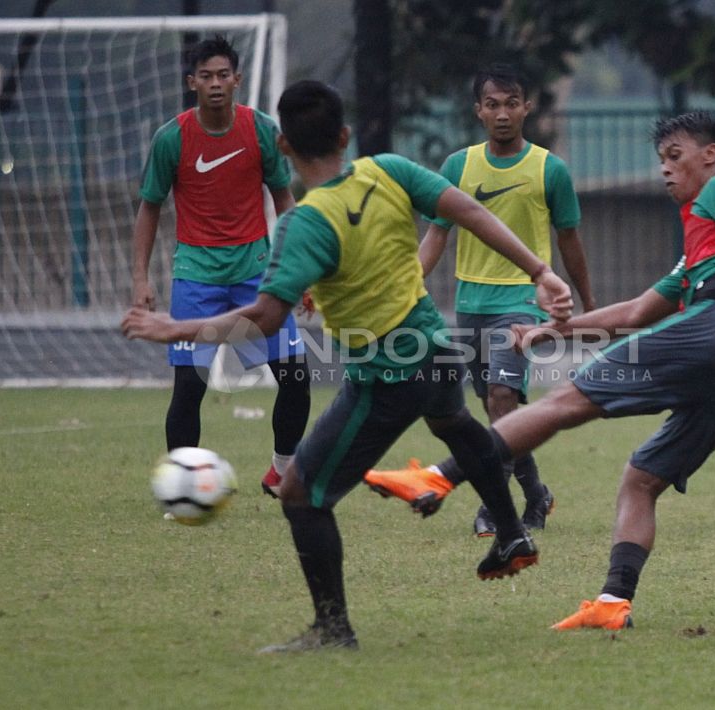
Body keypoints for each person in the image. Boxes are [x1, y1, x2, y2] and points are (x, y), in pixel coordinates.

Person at [122, 80, 575, 652]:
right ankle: (511, 533)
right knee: (457, 425)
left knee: (299, 495)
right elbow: (467, 210)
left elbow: (263, 317)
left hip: (385, 377)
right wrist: (540, 270)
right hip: (434, 351)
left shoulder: (304, 224)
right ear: (344, 135)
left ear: (282, 146)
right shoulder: (388, 170)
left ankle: (333, 628)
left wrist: (173, 328)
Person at [361, 110, 715, 631]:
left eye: (675, 158)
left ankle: (438, 476)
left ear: (710, 154)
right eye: (660, 162)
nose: (665, 170)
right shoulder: (699, 254)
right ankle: (612, 602)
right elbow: (631, 315)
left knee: (566, 400)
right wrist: (550, 332)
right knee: (642, 478)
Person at [367, 63, 594, 538]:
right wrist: (406, 286)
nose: (503, 113)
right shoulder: (458, 166)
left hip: (522, 303)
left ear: (527, 107)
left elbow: (570, 242)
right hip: (471, 303)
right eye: (493, 104)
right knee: (499, 413)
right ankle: (537, 495)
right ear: (478, 111)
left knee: (502, 396)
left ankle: (498, 508)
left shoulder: (549, 169)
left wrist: (588, 307)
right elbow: (436, 236)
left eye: (512, 103)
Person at [131, 36, 311, 496]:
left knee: (294, 375)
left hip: (257, 272)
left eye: (223, 75)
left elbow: (284, 197)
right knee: (189, 387)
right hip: (196, 276)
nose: (215, 84)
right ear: (192, 83)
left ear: (237, 79)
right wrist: (140, 279)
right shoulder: (172, 138)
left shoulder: (260, 130)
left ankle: (281, 470)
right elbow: (149, 206)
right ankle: (181, 487)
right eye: (205, 76)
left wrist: (298, 268)